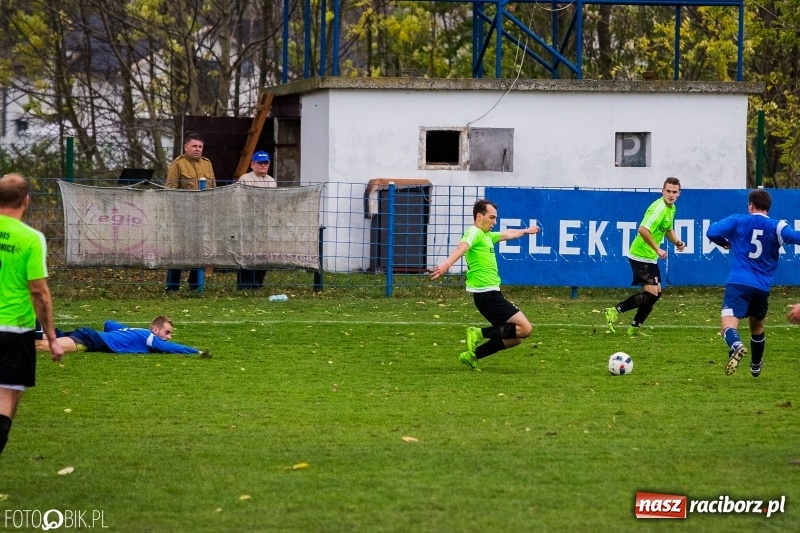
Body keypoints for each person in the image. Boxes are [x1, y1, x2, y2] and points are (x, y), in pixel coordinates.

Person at [430, 199, 540, 371]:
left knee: (515, 337)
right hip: (486, 294)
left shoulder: (487, 236)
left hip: (490, 294)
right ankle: (477, 333)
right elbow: (461, 248)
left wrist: (526, 231)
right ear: (479, 217)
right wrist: (446, 265)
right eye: (492, 217)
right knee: (525, 329)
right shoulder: (473, 232)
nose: (494, 222)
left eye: (496, 218)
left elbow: (509, 234)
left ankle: (472, 356)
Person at [0, 173, 64, 456]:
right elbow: (39, 291)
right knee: (6, 401)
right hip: (14, 329)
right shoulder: (30, 239)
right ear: (26, 200)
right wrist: (51, 337)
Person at [706, 189, 800, 377]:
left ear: (750, 205)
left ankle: (736, 345)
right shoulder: (778, 226)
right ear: (768, 208)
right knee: (757, 328)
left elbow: (711, 232)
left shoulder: (738, 220)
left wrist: (723, 242)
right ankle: (755, 365)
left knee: (728, 325)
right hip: (762, 287)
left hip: (738, 282)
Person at [603, 177, 685, 336]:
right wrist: (657, 249)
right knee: (652, 294)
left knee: (655, 294)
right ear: (662, 191)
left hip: (649, 256)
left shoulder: (671, 208)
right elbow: (642, 229)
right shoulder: (659, 208)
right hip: (641, 254)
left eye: (674, 192)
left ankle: (634, 328)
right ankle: (614, 310)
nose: (671, 195)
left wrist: (677, 242)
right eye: (668, 191)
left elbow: (667, 229)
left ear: (679, 193)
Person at [164, 132, 216, 293]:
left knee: (199, 251)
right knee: (178, 252)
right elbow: (170, 191)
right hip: (183, 216)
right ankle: (172, 287)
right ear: (185, 147)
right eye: (194, 146)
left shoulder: (207, 164)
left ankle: (195, 286)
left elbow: (213, 189)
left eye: (200, 146)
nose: (197, 149)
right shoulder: (177, 164)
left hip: (203, 216)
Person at [34, 316, 210, 356]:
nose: (169, 337)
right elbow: (170, 348)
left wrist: (125, 333)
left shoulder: (138, 332)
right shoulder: (150, 337)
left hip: (92, 336)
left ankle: (31, 324)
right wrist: (196, 351)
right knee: (41, 345)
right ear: (155, 330)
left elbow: (109, 323)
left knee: (43, 339)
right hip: (92, 340)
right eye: (167, 332)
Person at [236, 150, 275, 290]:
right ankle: (245, 284)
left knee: (263, 254)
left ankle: (258, 283)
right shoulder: (245, 179)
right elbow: (240, 201)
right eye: (260, 163)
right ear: (253, 164)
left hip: (265, 223)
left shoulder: (271, 181)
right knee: (247, 253)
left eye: (266, 163)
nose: (263, 165)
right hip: (249, 222)